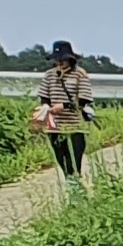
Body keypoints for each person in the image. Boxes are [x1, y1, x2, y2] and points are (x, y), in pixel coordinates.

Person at [34, 43, 89, 183]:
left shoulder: (80, 74)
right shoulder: (49, 75)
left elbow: (83, 100)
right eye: (57, 60)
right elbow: (44, 97)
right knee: (62, 161)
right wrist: (45, 108)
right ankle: (71, 188)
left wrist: (64, 106)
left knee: (74, 162)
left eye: (62, 59)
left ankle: (76, 187)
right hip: (54, 126)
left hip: (75, 125)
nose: (59, 62)